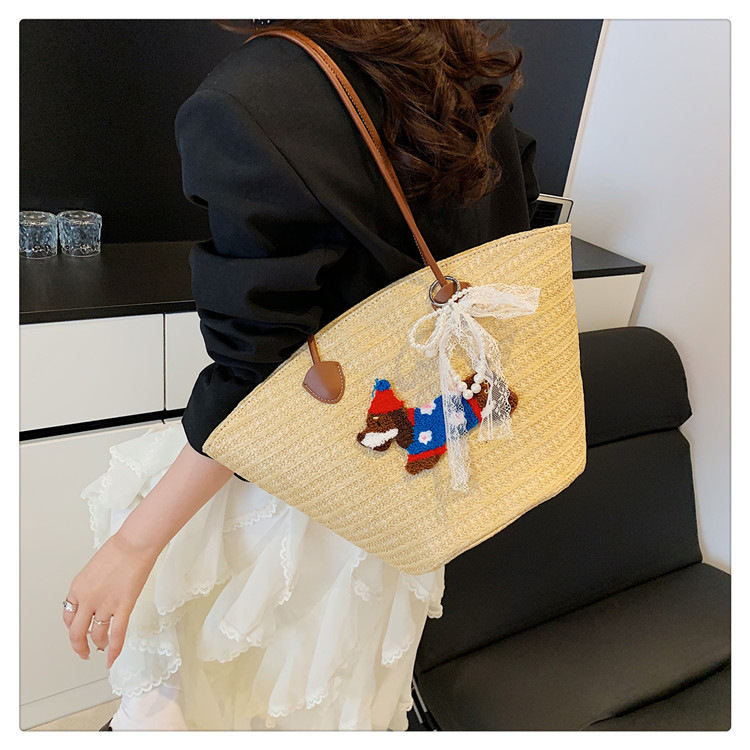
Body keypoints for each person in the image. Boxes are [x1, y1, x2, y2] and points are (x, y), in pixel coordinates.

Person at [62, 19, 539, 730]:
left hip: (302, 503)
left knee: (222, 698)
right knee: (338, 705)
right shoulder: (451, 53)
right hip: (413, 476)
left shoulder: (250, 98)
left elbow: (256, 382)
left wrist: (136, 542)